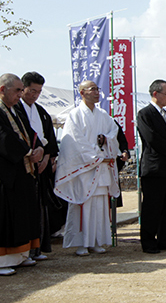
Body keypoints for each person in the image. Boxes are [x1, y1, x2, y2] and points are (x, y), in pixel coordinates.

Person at [0, 73, 44, 276]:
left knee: (22, 216)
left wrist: (39, 149)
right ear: (2, 90)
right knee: (4, 218)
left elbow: (29, 133)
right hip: (3, 176)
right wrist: (28, 152)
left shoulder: (13, 111)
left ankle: (20, 256)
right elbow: (3, 140)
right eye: (17, 90)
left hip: (21, 172)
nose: (20, 94)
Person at [54, 80, 120, 256]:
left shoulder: (103, 114)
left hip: (101, 168)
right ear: (82, 93)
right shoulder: (75, 115)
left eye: (98, 89)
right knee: (83, 204)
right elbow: (73, 141)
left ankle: (98, 241)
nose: (97, 92)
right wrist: (94, 155)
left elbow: (113, 133)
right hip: (84, 167)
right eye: (93, 89)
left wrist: (105, 140)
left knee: (100, 206)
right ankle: (82, 243)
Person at [14, 71, 60, 261]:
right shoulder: (15, 110)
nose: (34, 95)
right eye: (32, 91)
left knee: (40, 208)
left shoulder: (41, 112)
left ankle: (37, 248)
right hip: (24, 164)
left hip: (41, 165)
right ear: (23, 88)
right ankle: (24, 251)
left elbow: (48, 137)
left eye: (38, 92)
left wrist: (47, 156)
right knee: (25, 208)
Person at [136, 79, 166, 254]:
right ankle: (149, 242)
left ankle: (164, 239)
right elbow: (152, 138)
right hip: (155, 168)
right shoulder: (145, 114)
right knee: (152, 206)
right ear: (155, 94)